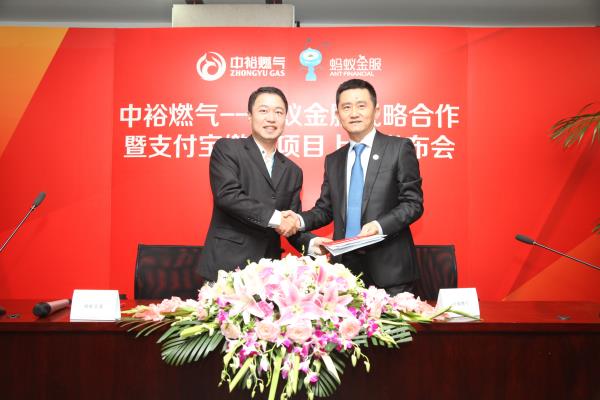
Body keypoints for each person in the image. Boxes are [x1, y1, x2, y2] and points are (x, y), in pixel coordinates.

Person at [292, 79, 424, 295]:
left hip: (390, 272)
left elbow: (413, 204)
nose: (354, 113)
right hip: (345, 273)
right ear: (338, 115)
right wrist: (297, 221)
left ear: (376, 110)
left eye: (361, 105)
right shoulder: (334, 160)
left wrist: (379, 226)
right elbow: (325, 209)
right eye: (346, 107)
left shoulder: (398, 148)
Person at [198, 86, 306, 282]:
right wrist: (276, 218)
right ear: (249, 116)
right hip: (226, 269)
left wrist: (314, 244)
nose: (271, 118)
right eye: (263, 110)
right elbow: (228, 195)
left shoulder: (293, 170)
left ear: (285, 118)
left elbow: (290, 222)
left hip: (269, 274)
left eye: (278, 112)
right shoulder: (228, 149)